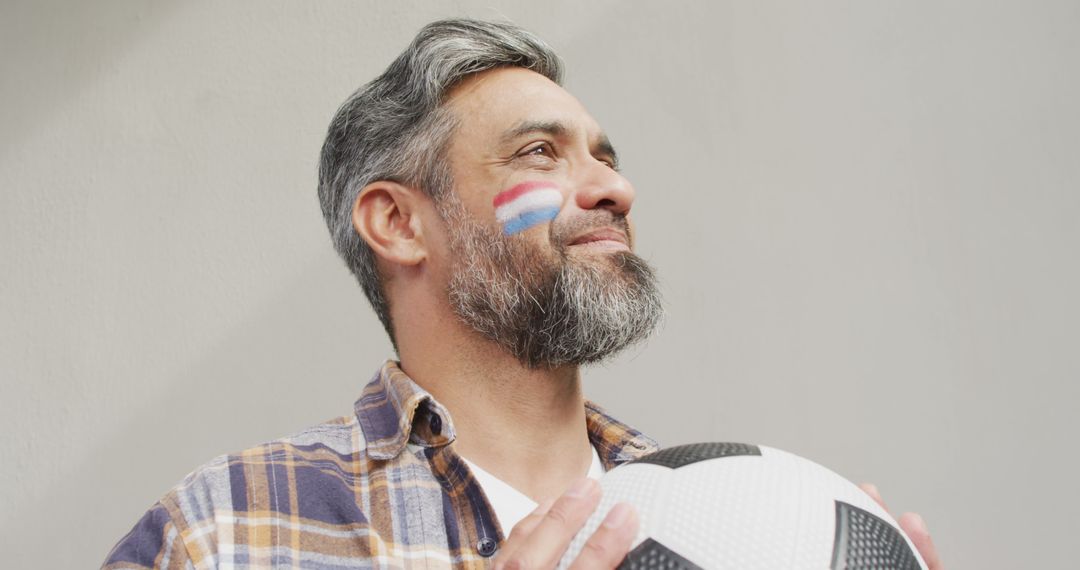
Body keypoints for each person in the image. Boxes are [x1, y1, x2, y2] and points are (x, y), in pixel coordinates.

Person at [103, 18, 942, 570]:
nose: (614, 188)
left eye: (603, 155)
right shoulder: (226, 531)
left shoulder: (756, 522)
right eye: (539, 152)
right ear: (398, 222)